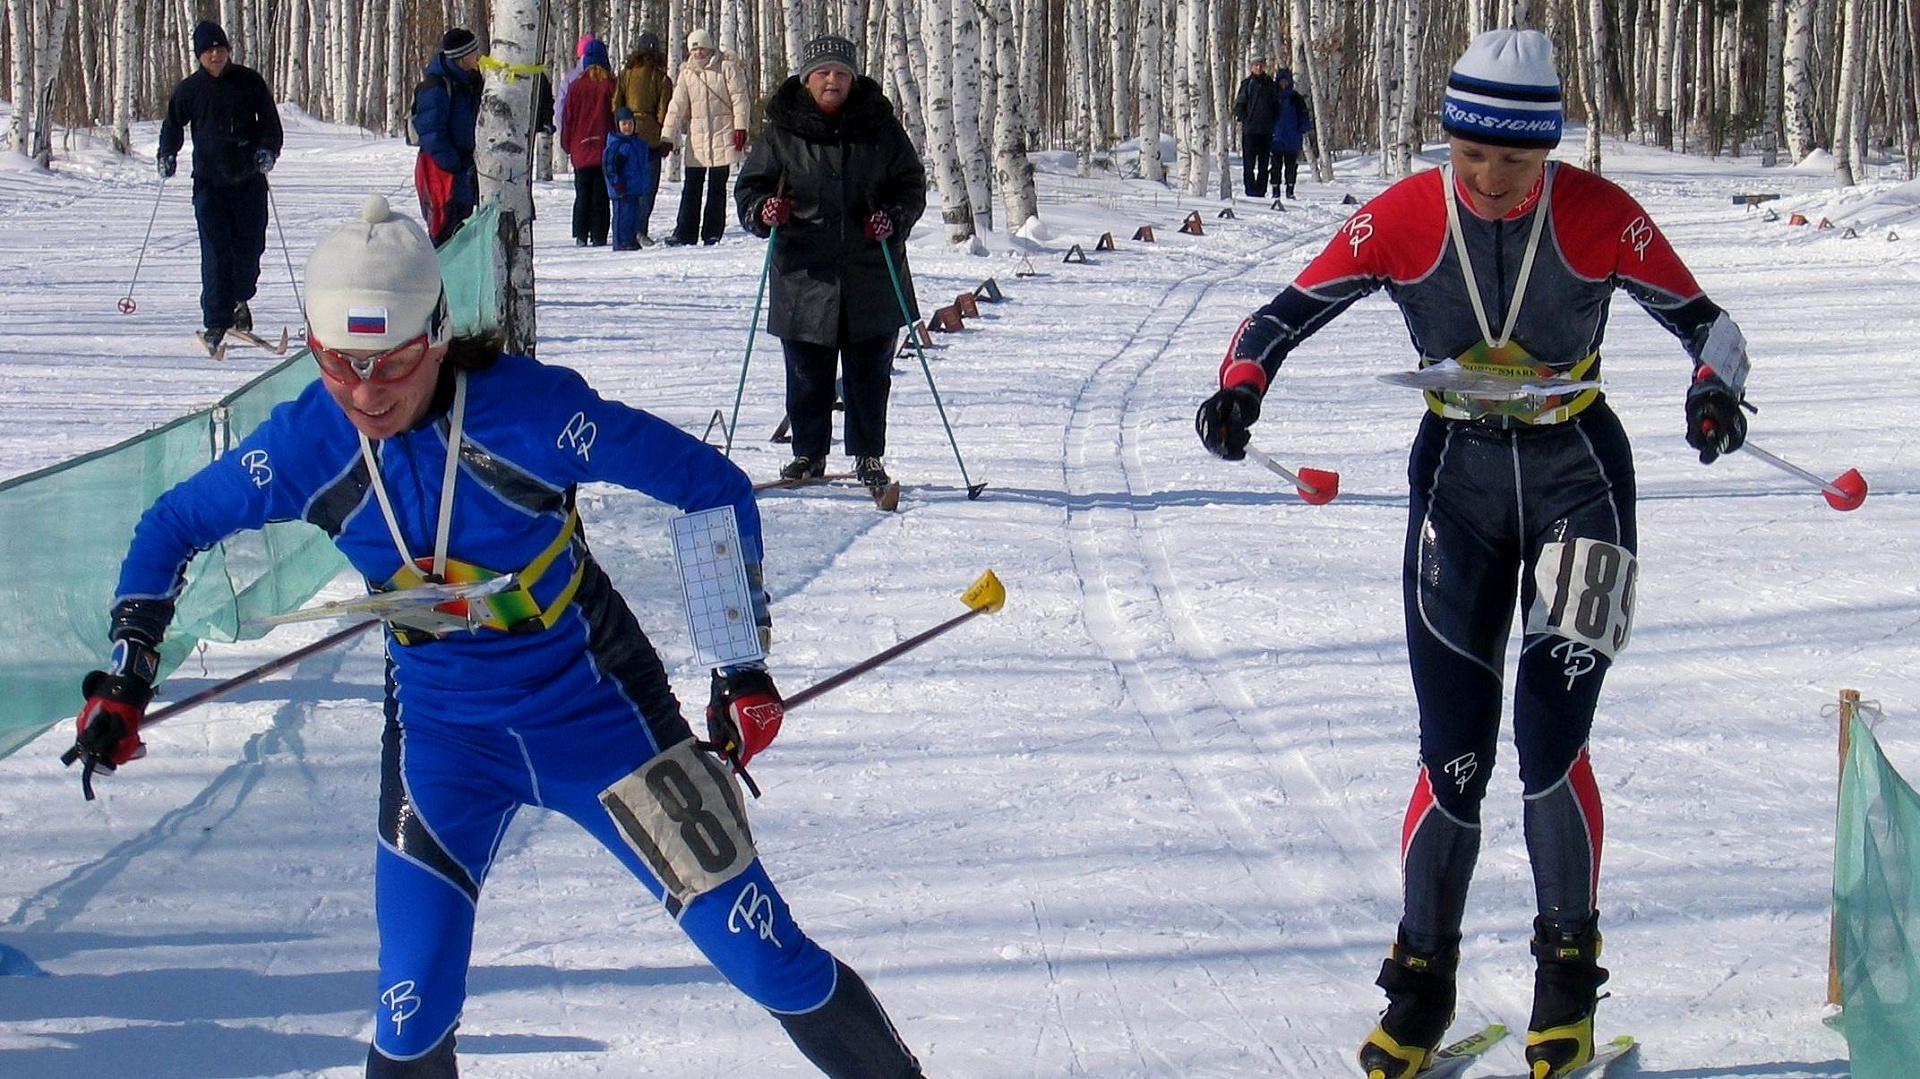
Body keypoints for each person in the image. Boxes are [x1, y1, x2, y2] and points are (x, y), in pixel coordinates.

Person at [68, 194, 933, 1079]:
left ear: (437, 335)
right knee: (409, 1017)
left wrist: (738, 667)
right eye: (339, 362)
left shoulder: (531, 415)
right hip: (444, 741)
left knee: (766, 957)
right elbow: (170, 525)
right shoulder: (307, 441)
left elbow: (708, 485)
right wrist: (128, 677)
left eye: (393, 361)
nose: (366, 391)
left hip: (601, 718)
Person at [1195, 29, 1753, 1079]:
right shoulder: (1403, 216)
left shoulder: (1601, 216)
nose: (1493, 180)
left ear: (1549, 152)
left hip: (1581, 481)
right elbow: (1280, 313)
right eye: (1472, 155)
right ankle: (1420, 988)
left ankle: (1565, 984)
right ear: (1446, 139)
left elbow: (1710, 325)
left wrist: (1712, 390)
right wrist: (1241, 387)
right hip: (1455, 486)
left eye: (1517, 160)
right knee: (1452, 750)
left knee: (1549, 740)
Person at [735, 34, 925, 496]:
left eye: (841, 73)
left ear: (852, 78)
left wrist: (893, 218)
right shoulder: (783, 130)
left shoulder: (879, 126)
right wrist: (765, 211)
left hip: (871, 270)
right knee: (806, 370)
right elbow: (749, 189)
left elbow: (911, 184)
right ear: (808, 79)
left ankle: (868, 455)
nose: (832, 81)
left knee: (869, 371)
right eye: (823, 73)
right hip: (803, 271)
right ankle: (807, 452)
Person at [156, 19, 282, 352]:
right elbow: (173, 125)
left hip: (248, 182)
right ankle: (215, 320)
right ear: (199, 55)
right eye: (209, 50)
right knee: (215, 252)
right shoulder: (189, 90)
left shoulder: (249, 82)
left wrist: (267, 150)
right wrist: (167, 154)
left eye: (220, 49)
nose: (215, 55)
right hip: (210, 184)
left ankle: (240, 300)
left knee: (250, 248)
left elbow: (270, 124)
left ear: (228, 50)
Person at [664, 28, 750, 246]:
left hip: (723, 134)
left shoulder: (726, 68)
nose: (699, 53)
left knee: (717, 186)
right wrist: (667, 134)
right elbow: (677, 106)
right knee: (692, 186)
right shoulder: (687, 74)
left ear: (710, 47)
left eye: (702, 48)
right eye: (694, 49)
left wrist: (740, 128)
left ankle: (712, 231)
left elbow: (740, 99)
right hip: (698, 139)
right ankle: (685, 232)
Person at [411, 28, 483, 247]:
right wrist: (453, 163)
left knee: (461, 228)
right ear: (462, 57)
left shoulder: (471, 82)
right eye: (474, 52)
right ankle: (439, 279)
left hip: (463, 168)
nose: (478, 56)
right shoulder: (437, 86)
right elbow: (431, 131)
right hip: (441, 170)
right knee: (444, 229)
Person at [615, 31, 674, 244]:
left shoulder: (625, 75)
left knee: (626, 183)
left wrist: (620, 125)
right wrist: (663, 134)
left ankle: (624, 227)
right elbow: (664, 109)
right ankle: (640, 228)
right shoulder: (662, 78)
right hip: (650, 135)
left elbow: (616, 103)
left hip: (627, 132)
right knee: (648, 186)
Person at [559, 38, 616, 246]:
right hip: (604, 146)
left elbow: (568, 118)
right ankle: (599, 234)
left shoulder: (575, 86)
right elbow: (615, 116)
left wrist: (566, 143)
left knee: (582, 193)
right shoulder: (610, 85)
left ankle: (581, 233)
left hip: (580, 147)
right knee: (601, 193)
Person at [603, 107, 655, 250]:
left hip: (634, 188)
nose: (627, 127)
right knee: (622, 217)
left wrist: (659, 150)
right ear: (618, 125)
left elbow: (647, 154)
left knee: (633, 217)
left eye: (630, 124)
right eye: (624, 124)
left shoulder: (637, 143)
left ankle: (631, 240)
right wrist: (616, 183)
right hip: (621, 189)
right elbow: (610, 167)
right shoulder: (617, 145)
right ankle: (620, 242)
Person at [1231, 56, 1279, 198]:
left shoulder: (1270, 84)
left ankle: (1261, 190)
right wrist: (1244, 117)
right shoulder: (1247, 84)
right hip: (1250, 130)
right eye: (1256, 65)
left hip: (1266, 130)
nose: (1258, 68)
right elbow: (1239, 104)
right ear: (1251, 67)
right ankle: (1250, 190)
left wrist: (1273, 119)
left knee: (1264, 164)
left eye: (1261, 65)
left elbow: (1276, 104)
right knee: (1249, 163)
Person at [1270, 66, 1314, 200]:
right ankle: (1275, 190)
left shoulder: (1296, 98)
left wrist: (1303, 128)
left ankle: (1290, 189)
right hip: (1275, 138)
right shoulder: (1273, 97)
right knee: (1275, 166)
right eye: (1281, 81)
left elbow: (1304, 115)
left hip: (1292, 138)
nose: (1283, 84)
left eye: (1286, 81)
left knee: (1291, 166)